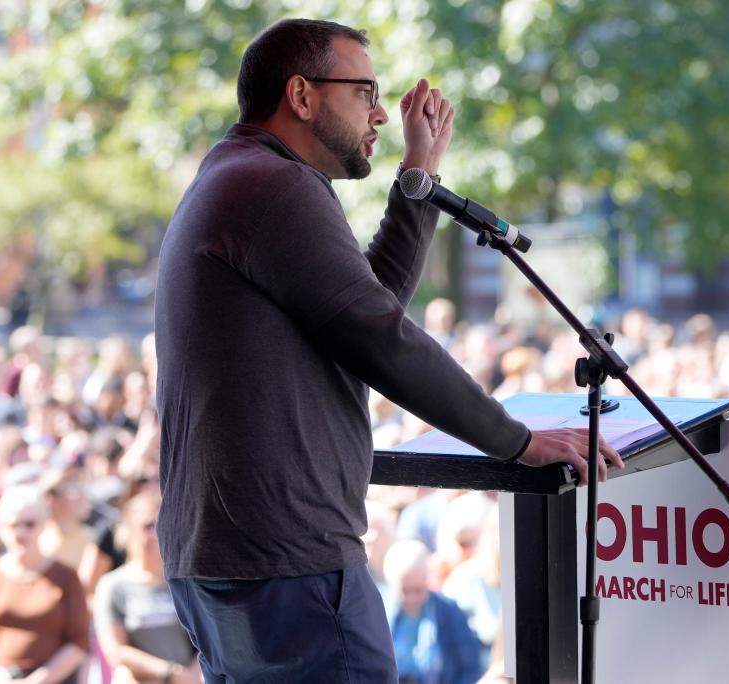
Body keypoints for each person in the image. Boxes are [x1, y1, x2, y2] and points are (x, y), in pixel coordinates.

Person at [154, 17, 623, 683]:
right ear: (302, 95)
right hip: (287, 561)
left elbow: (367, 310)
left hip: (237, 557)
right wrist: (516, 441)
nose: (380, 113)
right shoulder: (273, 186)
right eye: (364, 91)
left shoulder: (240, 176)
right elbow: (382, 338)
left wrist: (420, 175)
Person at [0, 485, 89, 684]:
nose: (21, 532)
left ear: (44, 524)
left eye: (29, 524)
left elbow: (78, 642)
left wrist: (37, 681)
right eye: (12, 525)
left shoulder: (66, 577)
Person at [93, 493, 199, 684]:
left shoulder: (184, 582)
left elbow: (207, 640)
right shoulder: (113, 585)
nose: (156, 533)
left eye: (163, 525)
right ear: (128, 531)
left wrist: (192, 674)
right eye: (148, 526)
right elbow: (115, 650)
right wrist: (170, 673)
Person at [384, 540, 483, 684]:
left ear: (427, 581)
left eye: (418, 590)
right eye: (405, 590)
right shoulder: (381, 613)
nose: (412, 598)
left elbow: (470, 668)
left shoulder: (449, 612)